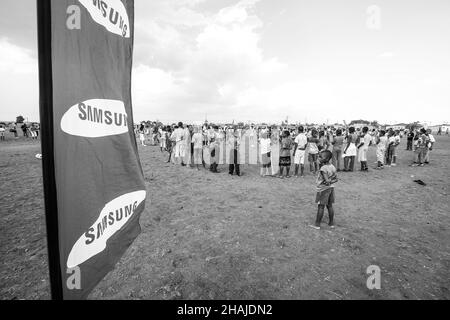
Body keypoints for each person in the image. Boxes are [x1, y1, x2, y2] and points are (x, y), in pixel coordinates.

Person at [310, 150, 338, 230]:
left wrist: (329, 181)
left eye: (320, 157)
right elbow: (336, 179)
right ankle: (331, 223)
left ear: (326, 159)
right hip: (331, 189)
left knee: (321, 207)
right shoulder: (332, 166)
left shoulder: (323, 168)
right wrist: (332, 181)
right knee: (329, 206)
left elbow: (327, 181)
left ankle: (317, 224)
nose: (318, 158)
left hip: (323, 190)